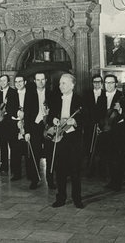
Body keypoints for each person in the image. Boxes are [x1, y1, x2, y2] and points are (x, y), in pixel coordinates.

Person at [48, 73, 84, 208]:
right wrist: (53, 119)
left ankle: (77, 198)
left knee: (75, 171)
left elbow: (87, 118)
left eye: (63, 83)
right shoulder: (56, 99)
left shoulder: (80, 100)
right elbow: (51, 115)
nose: (60, 86)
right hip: (59, 138)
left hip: (74, 139)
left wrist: (75, 120)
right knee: (60, 169)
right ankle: (61, 197)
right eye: (60, 83)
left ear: (72, 85)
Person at [11, 75, 37, 185]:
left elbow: (34, 110)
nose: (18, 84)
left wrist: (25, 117)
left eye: (20, 81)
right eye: (16, 82)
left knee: (28, 151)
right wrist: (16, 115)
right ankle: (16, 174)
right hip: (15, 125)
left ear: (25, 82)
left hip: (28, 125)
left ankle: (31, 174)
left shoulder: (31, 94)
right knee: (15, 150)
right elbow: (9, 109)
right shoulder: (12, 94)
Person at [103, 74, 125, 191]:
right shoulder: (102, 96)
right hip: (105, 130)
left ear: (116, 84)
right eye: (106, 83)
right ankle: (112, 180)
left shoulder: (121, 96)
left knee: (117, 158)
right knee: (108, 157)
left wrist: (120, 110)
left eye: (111, 83)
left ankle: (118, 182)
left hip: (117, 132)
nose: (109, 85)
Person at [33, 72, 56, 189]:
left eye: (42, 79)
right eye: (38, 80)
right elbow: (27, 113)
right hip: (35, 127)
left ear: (46, 80)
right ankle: (35, 179)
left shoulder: (52, 94)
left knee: (50, 153)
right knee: (35, 153)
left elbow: (56, 111)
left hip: (48, 126)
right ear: (34, 81)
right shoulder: (29, 94)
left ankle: (50, 180)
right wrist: (27, 130)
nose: (40, 82)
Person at [0, 75, 19, 175]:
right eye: (1, 81)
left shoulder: (13, 92)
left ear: (8, 82)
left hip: (10, 123)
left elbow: (15, 106)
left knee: (12, 146)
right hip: (1, 123)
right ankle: (4, 166)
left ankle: (14, 169)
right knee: (3, 145)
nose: (2, 82)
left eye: (4, 81)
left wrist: (7, 112)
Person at [84, 74, 107, 178]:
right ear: (92, 83)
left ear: (102, 83)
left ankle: (102, 172)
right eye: (95, 82)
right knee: (89, 148)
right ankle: (90, 170)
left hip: (102, 125)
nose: (97, 84)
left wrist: (100, 123)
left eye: (99, 82)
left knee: (102, 149)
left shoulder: (105, 94)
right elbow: (85, 110)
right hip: (89, 126)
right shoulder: (87, 94)